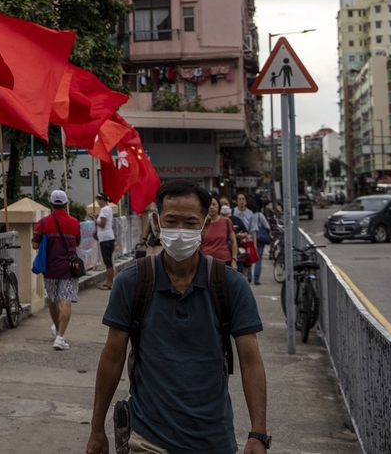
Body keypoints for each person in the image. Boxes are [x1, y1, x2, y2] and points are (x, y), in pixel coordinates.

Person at [85, 180, 268, 454]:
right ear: (157, 222)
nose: (180, 231)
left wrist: (258, 433)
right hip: (147, 439)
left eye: (190, 223)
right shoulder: (131, 283)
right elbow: (112, 356)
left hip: (214, 440)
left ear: (205, 225)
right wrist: (96, 428)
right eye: (171, 221)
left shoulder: (231, 286)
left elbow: (251, 361)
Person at [32, 189, 81, 351]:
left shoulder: (44, 223)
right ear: (66, 204)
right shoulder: (74, 222)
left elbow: (34, 244)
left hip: (50, 268)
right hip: (68, 268)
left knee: (53, 300)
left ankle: (57, 329)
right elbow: (77, 243)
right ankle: (60, 337)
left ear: (51, 204)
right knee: (66, 300)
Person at [202, 196, 238, 267]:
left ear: (219, 206)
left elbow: (234, 242)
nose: (211, 207)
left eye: (214, 204)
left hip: (224, 260)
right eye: (209, 205)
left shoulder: (226, 221)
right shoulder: (202, 223)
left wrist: (234, 260)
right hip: (205, 261)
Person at [234, 193, 261, 284]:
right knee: (236, 261)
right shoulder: (233, 212)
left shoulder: (250, 214)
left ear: (246, 201)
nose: (241, 201)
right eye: (239, 199)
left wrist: (254, 244)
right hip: (235, 240)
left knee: (246, 262)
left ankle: (244, 281)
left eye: (243, 199)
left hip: (247, 240)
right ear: (236, 201)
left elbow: (253, 229)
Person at [94, 193, 116, 290]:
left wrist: (94, 219)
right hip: (109, 237)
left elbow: (102, 224)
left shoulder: (104, 210)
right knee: (108, 261)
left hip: (105, 238)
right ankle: (109, 281)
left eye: (98, 201)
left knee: (107, 261)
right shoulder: (108, 209)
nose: (98, 203)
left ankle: (109, 283)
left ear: (102, 200)